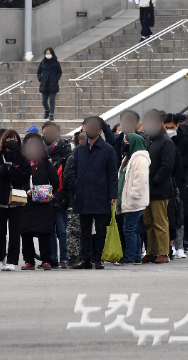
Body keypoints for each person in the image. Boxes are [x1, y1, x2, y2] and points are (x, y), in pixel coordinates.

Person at [70, 116, 118, 270]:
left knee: (100, 229)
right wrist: (77, 185)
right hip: (83, 194)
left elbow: (112, 174)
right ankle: (86, 259)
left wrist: (113, 195)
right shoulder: (80, 149)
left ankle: (98, 258)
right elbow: (74, 170)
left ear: (99, 130)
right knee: (84, 230)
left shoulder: (108, 149)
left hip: (100, 194)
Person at [0, 130, 32, 271]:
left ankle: (12, 260)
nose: (12, 141)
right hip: (0, 199)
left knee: (15, 231)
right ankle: (2, 256)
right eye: (9, 138)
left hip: (17, 198)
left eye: (15, 138)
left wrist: (13, 170)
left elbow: (25, 177)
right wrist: (5, 168)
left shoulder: (23, 158)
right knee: (0, 231)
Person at [20, 133, 59, 270]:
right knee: (26, 233)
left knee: (44, 233)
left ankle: (46, 260)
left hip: (42, 203)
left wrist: (46, 192)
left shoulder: (45, 163)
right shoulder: (23, 163)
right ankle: (29, 260)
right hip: (26, 202)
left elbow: (55, 181)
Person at [142, 110, 176, 263]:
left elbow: (167, 165)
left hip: (159, 189)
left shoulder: (166, 142)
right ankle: (152, 251)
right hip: (146, 189)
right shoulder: (148, 140)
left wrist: (155, 180)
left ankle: (163, 252)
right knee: (148, 222)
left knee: (160, 222)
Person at [115, 133, 150, 265]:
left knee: (129, 228)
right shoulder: (129, 158)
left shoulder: (139, 159)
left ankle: (129, 256)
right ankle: (135, 256)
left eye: (127, 142)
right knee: (132, 228)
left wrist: (133, 194)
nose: (125, 144)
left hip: (133, 200)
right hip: (127, 200)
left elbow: (140, 180)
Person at [164, 113, 188, 259]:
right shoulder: (159, 140)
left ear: (177, 126)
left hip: (179, 182)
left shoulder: (185, 141)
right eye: (167, 127)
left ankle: (180, 245)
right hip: (163, 182)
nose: (169, 130)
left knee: (178, 215)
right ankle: (168, 245)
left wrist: (174, 159)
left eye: (172, 127)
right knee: (164, 215)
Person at [42, 121, 72, 268]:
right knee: (49, 231)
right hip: (44, 196)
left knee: (62, 230)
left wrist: (63, 193)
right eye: (45, 133)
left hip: (60, 194)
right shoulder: (40, 150)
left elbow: (68, 174)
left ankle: (64, 257)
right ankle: (52, 258)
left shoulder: (65, 149)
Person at [63, 131, 82, 265]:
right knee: (73, 231)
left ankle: (87, 255)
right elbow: (67, 179)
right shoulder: (73, 158)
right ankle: (74, 257)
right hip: (75, 200)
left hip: (91, 201)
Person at [37, 47, 62, 121]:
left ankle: (51, 114)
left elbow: (59, 72)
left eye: (49, 53)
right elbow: (38, 72)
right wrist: (40, 78)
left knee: (52, 100)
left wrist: (56, 78)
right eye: (46, 53)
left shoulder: (56, 63)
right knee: (44, 101)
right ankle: (47, 110)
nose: (48, 55)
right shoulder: (42, 62)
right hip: (44, 83)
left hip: (53, 83)